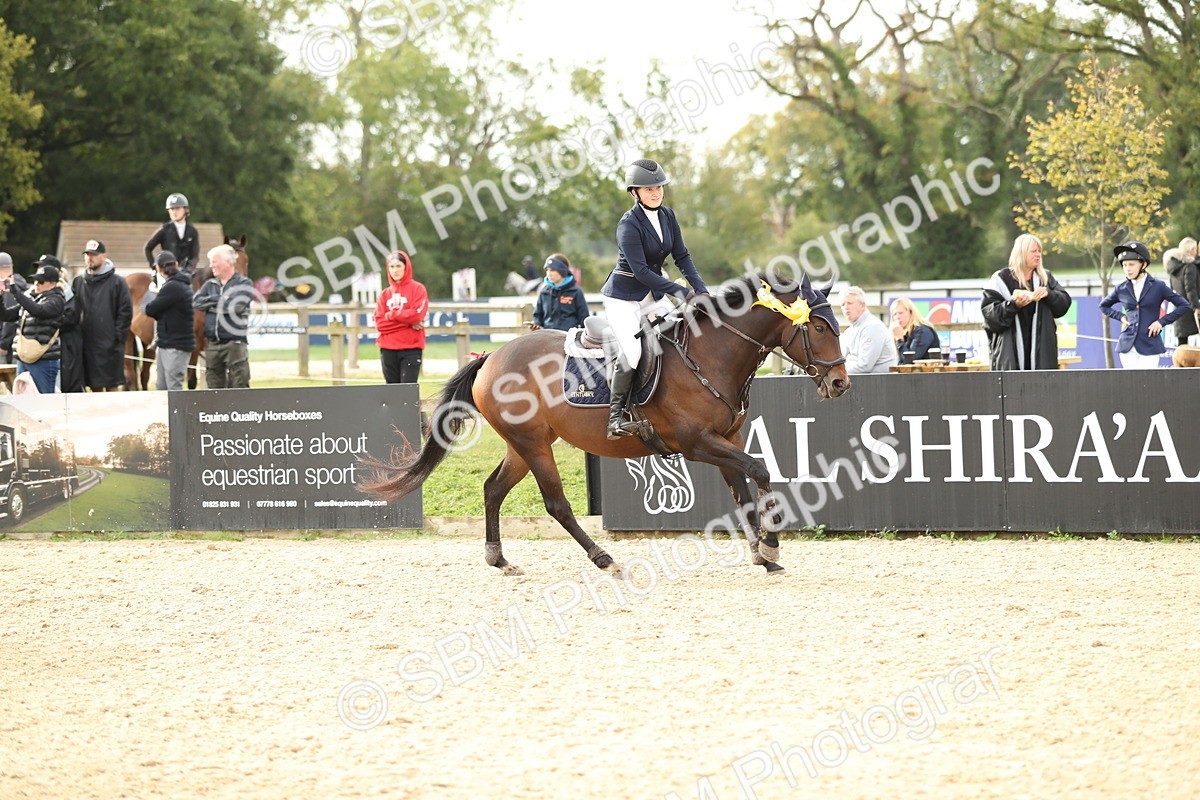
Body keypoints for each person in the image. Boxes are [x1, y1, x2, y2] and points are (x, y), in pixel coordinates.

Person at [600, 158, 708, 438]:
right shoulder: (628, 225)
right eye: (649, 189)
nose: (656, 192)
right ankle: (615, 417)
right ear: (634, 192)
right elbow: (643, 272)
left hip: (652, 294)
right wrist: (682, 292)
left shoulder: (668, 216)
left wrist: (701, 289)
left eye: (659, 187)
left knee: (680, 331)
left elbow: (682, 256)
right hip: (623, 298)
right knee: (634, 351)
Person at [981, 233, 1072, 370]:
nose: (1038, 255)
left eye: (1039, 251)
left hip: (1043, 356)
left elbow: (1064, 304)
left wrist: (1049, 294)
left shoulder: (1045, 278)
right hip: (1010, 357)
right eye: (1033, 251)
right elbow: (991, 317)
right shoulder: (1000, 279)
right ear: (1021, 253)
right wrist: (1013, 305)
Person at [1099, 241, 1192, 369]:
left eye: (1131, 264)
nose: (1127, 268)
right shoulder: (1121, 288)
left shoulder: (1158, 286)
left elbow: (1184, 305)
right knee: (1131, 385)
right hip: (1127, 346)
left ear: (1144, 264)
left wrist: (1161, 322)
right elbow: (1103, 306)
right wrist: (1121, 317)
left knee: (1146, 384)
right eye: (1124, 265)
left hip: (1150, 345)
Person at [0, 258, 66, 394]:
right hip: (23, 358)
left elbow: (38, 311)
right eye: (35, 280)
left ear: (53, 283)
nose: (37, 285)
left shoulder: (57, 300)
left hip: (44, 360)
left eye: (41, 281)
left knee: (43, 402)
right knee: (22, 402)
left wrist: (15, 291)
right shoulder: (31, 298)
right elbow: (6, 315)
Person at [193, 243, 254, 388]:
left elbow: (238, 307)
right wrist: (219, 300)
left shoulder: (244, 283)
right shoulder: (209, 285)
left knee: (239, 385)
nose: (211, 265)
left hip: (235, 344)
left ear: (227, 262)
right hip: (213, 345)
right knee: (214, 387)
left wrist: (212, 303)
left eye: (214, 261)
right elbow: (197, 302)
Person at [74, 240, 132, 391]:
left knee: (112, 387)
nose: (89, 258)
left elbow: (125, 312)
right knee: (93, 388)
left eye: (93, 254)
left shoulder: (117, 282)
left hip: (110, 346)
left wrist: (118, 338)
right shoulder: (79, 282)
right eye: (87, 255)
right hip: (87, 346)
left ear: (104, 256)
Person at [373, 249, 429, 384]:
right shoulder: (384, 294)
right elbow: (380, 324)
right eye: (391, 267)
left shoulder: (418, 289)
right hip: (388, 349)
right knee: (392, 393)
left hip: (411, 348)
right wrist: (407, 322)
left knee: (407, 392)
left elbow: (416, 316)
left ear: (406, 267)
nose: (395, 270)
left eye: (398, 266)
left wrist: (391, 315)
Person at [144, 251, 196, 390]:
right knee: (162, 386)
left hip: (175, 345)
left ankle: (177, 413)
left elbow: (150, 309)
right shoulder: (179, 285)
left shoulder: (172, 286)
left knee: (173, 387)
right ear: (176, 265)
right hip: (169, 343)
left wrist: (153, 291)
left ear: (159, 269)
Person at [839, 286, 898, 374]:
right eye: (843, 304)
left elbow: (865, 365)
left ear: (862, 305)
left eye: (850, 303)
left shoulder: (873, 327)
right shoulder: (849, 331)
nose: (846, 307)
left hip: (880, 382)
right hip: (862, 380)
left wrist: (839, 373)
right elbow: (842, 360)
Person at [530, 253, 590, 332]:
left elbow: (584, 318)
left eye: (552, 270)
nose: (549, 273)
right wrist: (536, 324)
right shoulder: (544, 292)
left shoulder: (576, 292)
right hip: (547, 336)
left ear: (562, 271)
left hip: (568, 337)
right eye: (547, 270)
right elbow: (537, 315)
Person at [144, 193, 200, 273]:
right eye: (171, 209)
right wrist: (154, 265)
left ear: (185, 209)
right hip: (167, 272)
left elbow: (195, 256)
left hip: (186, 271)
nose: (174, 212)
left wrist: (189, 268)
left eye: (177, 208)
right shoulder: (164, 229)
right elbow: (148, 248)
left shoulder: (192, 231)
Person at [1163, 237, 1200, 345]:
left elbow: (1171, 288)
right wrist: (1196, 307)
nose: (1197, 252)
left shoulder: (1172, 267)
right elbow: (1190, 289)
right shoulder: (1190, 267)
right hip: (1191, 307)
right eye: (1195, 249)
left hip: (1179, 307)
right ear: (1190, 250)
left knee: (1182, 344)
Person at [0, 251, 29, 365]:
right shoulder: (20, 284)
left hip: (9, 345)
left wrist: (3, 343)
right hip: (18, 341)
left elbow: (10, 318)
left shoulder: (8, 286)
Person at [890, 297, 939, 361]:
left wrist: (899, 339)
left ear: (911, 312)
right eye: (894, 314)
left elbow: (910, 360)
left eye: (900, 313)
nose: (897, 317)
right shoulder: (904, 333)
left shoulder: (923, 331)